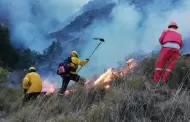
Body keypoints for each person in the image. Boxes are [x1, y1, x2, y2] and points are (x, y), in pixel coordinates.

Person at [153, 21, 183, 86]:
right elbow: (181, 44)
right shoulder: (179, 33)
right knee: (170, 66)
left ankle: (156, 82)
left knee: (160, 64)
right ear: (176, 27)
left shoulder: (166, 31)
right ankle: (164, 81)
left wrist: (164, 44)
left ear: (169, 26)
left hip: (166, 48)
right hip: (176, 49)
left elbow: (160, 39)